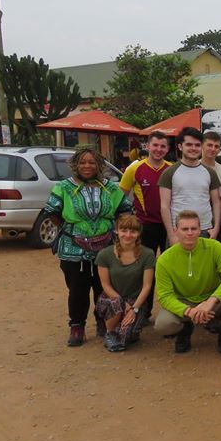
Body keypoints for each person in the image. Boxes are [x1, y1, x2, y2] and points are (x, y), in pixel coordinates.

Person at [43, 148, 132, 347]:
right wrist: (71, 229)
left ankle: (103, 322)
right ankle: (77, 326)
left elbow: (125, 210)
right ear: (75, 165)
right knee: (77, 288)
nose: (87, 166)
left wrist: (120, 233)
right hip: (73, 247)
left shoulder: (110, 187)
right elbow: (51, 212)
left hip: (106, 246)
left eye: (92, 162)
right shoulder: (64, 187)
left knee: (104, 287)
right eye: (82, 162)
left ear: (99, 165)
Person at [153, 210, 221, 359]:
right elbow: (164, 296)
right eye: (184, 229)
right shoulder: (164, 260)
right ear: (175, 231)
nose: (189, 233)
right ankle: (185, 328)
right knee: (163, 325)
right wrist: (189, 311)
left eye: (193, 228)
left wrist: (210, 302)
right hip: (184, 302)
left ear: (200, 230)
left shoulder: (215, 247)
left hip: (211, 300)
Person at [94, 214, 156, 352]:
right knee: (117, 303)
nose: (128, 235)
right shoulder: (105, 254)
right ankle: (109, 332)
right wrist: (124, 304)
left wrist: (134, 309)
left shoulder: (147, 254)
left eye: (133, 231)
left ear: (138, 233)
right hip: (111, 299)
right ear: (116, 231)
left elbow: (147, 286)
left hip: (135, 301)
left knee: (126, 337)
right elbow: (105, 285)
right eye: (124, 230)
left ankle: (126, 330)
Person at [159, 126, 221, 245]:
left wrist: (216, 228)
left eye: (197, 145)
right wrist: (171, 234)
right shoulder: (169, 172)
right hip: (179, 231)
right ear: (180, 146)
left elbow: (216, 202)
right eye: (189, 144)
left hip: (205, 230)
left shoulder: (210, 172)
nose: (193, 148)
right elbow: (164, 206)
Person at [118, 131, 171, 255]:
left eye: (163, 146)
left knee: (168, 261)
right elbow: (120, 197)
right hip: (144, 225)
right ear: (147, 146)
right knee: (144, 261)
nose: (159, 149)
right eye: (155, 145)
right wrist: (126, 219)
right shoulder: (134, 168)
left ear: (167, 149)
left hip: (168, 224)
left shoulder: (171, 169)